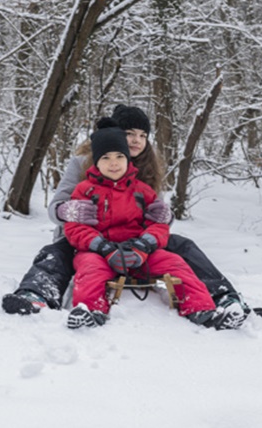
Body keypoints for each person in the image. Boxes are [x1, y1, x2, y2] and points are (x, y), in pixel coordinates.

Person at [2, 104, 250, 325]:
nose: (136, 140)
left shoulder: (147, 170)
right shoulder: (81, 163)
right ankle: (36, 294)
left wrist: (161, 222)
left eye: (143, 135)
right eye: (130, 133)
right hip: (88, 239)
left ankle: (224, 297)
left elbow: (158, 217)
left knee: (183, 247)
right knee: (56, 253)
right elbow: (55, 208)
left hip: (136, 243)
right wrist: (68, 210)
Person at [63, 120, 242, 329]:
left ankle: (202, 310)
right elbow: (75, 228)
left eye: (120, 156)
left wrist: (145, 245)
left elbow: (159, 224)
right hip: (99, 251)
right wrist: (101, 247)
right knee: (90, 270)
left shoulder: (143, 190)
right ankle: (90, 311)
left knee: (176, 263)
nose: (114, 163)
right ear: (96, 162)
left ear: (128, 159)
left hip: (140, 252)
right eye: (106, 158)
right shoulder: (85, 190)